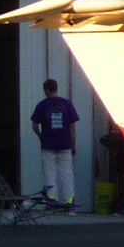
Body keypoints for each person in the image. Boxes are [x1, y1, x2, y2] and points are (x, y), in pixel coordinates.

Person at [30, 78, 80, 213]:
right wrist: (73, 144)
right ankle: (70, 204)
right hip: (65, 144)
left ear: (46, 90)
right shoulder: (67, 104)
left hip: (48, 144)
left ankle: (52, 202)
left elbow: (34, 126)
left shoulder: (42, 105)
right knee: (67, 174)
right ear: (56, 88)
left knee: (49, 174)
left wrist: (41, 136)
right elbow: (72, 127)